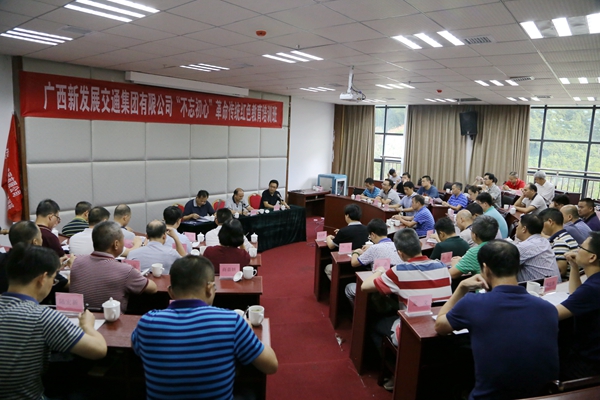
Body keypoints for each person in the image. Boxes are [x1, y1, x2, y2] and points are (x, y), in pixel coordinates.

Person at [131, 255, 278, 399]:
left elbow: (136, 347)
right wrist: (248, 331)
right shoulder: (232, 321)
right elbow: (271, 366)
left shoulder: (147, 322)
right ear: (210, 288)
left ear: (170, 292)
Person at [435, 240, 559, 400]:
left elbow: (440, 326)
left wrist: (461, 288)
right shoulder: (548, 309)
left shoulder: (473, 303)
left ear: (485, 269)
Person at [0, 245, 107, 399]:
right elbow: (99, 350)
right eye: (53, 279)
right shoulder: (42, 317)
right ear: (43, 278)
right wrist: (87, 326)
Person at [361, 228, 451, 349]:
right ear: (420, 245)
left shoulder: (398, 272)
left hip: (410, 331)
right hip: (443, 327)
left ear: (400, 253)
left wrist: (379, 271)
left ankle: (392, 359)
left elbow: (364, 287)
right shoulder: (442, 267)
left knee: (374, 323)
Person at [71, 221, 157, 313]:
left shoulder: (76, 262)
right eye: (122, 240)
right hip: (111, 320)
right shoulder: (125, 271)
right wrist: (136, 274)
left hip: (79, 319)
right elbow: (153, 289)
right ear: (116, 244)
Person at [555, 232, 600, 379]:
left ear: (592, 257)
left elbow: (553, 314)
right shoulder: (594, 283)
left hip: (589, 363)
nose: (576, 250)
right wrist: (574, 267)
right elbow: (577, 296)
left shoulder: (592, 288)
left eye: (581, 247)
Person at [345, 219, 402, 303]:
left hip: (377, 289)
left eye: (370, 236)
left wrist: (356, 252)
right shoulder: (398, 246)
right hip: (395, 289)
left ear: (373, 235)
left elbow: (354, 263)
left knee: (349, 288)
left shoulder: (374, 248)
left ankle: (360, 310)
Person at [514, 214, 561, 282]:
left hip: (539, 288)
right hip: (557, 286)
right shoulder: (545, 241)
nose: (516, 228)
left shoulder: (525, 246)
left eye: (518, 225)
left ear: (524, 229)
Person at [0, 221, 45, 293]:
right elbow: (63, 284)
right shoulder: (42, 264)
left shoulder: (2, 259)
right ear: (35, 242)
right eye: (41, 237)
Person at [539, 208, 578, 277]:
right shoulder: (564, 236)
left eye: (541, 223)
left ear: (550, 222)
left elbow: (560, 271)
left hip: (565, 282)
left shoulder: (560, 242)